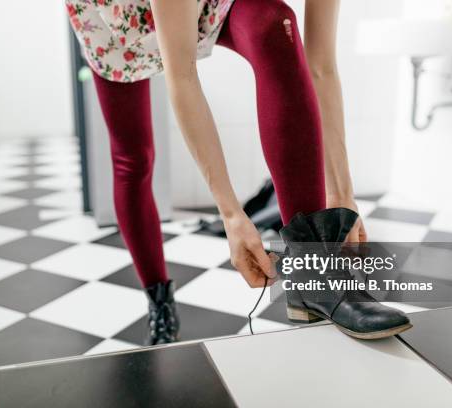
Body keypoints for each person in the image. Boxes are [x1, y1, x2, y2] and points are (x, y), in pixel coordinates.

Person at [66, 0, 410, 345]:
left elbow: (320, 66)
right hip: (118, 20)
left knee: (275, 24)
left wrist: (342, 196)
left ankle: (315, 274)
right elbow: (182, 75)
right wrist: (231, 214)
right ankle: (159, 300)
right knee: (133, 159)